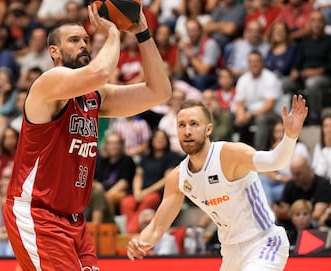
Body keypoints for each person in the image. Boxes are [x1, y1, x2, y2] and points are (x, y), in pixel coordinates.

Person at [3, 3, 172, 271]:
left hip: (74, 220)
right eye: (74, 40)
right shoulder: (48, 83)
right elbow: (100, 73)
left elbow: (160, 92)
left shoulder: (95, 96)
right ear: (54, 52)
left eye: (86, 39)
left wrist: (141, 33)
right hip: (39, 214)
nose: (84, 45)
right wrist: (113, 34)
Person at [127, 95, 308, 270]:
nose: (187, 131)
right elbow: (157, 227)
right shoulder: (178, 177)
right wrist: (140, 241)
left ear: (209, 129)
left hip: (264, 242)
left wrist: (290, 136)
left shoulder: (229, 154)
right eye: (181, 125)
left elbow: (274, 162)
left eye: (194, 124)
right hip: (230, 253)